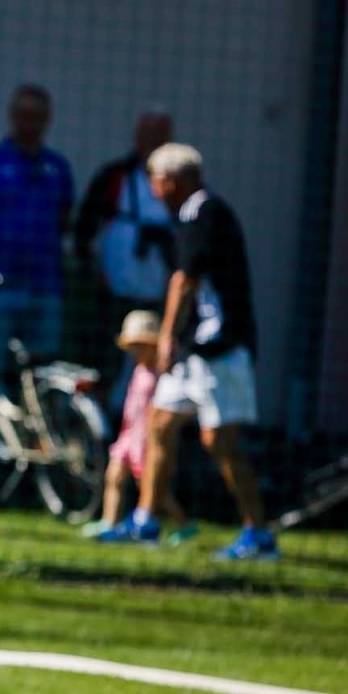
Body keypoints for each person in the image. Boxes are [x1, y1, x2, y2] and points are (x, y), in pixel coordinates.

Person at [102, 144, 276, 561]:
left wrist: (166, 335)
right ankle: (146, 521)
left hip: (221, 347)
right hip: (197, 347)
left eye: (156, 181)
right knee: (159, 423)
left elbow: (185, 279)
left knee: (220, 441)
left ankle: (258, 534)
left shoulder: (203, 212)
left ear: (172, 181)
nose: (154, 190)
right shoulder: (193, 214)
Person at [0, 84, 75, 374]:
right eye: (23, 114)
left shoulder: (57, 167)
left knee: (41, 370)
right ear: (11, 116)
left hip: (44, 287)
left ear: (48, 119)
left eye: (37, 115)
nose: (29, 122)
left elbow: (64, 219)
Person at [73, 108, 176, 394]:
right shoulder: (115, 176)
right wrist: (95, 273)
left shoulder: (178, 184)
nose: (153, 143)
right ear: (136, 138)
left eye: (160, 137)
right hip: (114, 292)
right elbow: (84, 231)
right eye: (147, 135)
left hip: (156, 293)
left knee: (148, 368)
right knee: (107, 361)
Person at [88, 310, 193, 542]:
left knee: (155, 490)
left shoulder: (162, 373)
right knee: (113, 476)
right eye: (133, 347)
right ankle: (110, 522)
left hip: (147, 440)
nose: (137, 352)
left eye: (142, 346)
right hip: (129, 435)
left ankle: (184, 523)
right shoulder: (137, 370)